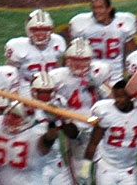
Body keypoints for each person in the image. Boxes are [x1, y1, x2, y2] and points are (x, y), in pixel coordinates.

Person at [49, 37, 112, 184]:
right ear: (67, 60)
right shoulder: (57, 77)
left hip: (98, 126)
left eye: (83, 60)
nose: (79, 63)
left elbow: (114, 99)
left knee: (105, 170)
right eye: (74, 59)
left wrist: (99, 85)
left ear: (90, 60)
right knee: (81, 174)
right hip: (75, 129)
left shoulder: (100, 71)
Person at [83, 80, 137, 185]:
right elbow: (93, 142)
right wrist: (84, 170)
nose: (117, 101)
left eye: (121, 97)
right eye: (116, 97)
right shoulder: (105, 111)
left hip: (129, 167)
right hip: (107, 165)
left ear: (131, 97)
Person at [69, 0, 137, 85]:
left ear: (109, 9)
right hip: (90, 76)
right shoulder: (82, 24)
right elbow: (72, 53)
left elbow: (132, 53)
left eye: (100, 7)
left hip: (115, 77)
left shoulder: (123, 23)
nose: (96, 11)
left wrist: (133, 74)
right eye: (94, 8)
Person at [4, 9, 66, 97]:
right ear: (28, 30)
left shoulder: (58, 41)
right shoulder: (17, 46)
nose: (40, 34)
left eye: (44, 29)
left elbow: (58, 66)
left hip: (52, 85)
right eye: (35, 30)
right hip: (27, 86)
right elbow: (10, 71)